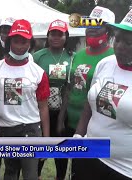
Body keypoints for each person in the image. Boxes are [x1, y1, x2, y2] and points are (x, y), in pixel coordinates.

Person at [0, 19, 50, 180]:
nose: (20, 46)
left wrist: (46, 138)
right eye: (16, 41)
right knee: (10, 173)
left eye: (24, 41)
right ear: (9, 42)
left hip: (31, 129)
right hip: (5, 129)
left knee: (30, 175)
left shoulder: (38, 72)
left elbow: (43, 107)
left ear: (30, 43)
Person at [57, 6, 115, 179]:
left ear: (108, 29)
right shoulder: (79, 55)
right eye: (89, 24)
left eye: (98, 25)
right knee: (61, 164)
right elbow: (69, 88)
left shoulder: (112, 58)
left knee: (80, 169)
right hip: (70, 120)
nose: (92, 29)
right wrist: (61, 119)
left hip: (92, 125)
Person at [73, 9, 132, 180]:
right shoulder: (105, 64)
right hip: (88, 154)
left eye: (128, 43)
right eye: (118, 39)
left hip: (123, 168)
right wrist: (78, 135)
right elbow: (90, 103)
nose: (119, 46)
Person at [33, 19, 74, 180]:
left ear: (66, 36)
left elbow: (70, 87)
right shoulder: (37, 56)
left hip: (63, 111)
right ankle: (35, 175)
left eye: (60, 34)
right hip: (40, 110)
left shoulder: (72, 57)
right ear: (48, 36)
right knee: (41, 147)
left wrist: (62, 118)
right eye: (53, 34)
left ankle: (60, 177)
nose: (56, 37)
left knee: (62, 149)